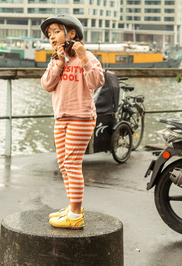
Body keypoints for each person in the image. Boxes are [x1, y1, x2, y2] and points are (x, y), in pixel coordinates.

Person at [40, 13, 104, 229]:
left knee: (72, 164)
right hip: (61, 118)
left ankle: (75, 215)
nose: (52, 37)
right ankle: (73, 206)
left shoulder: (86, 57)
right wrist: (58, 65)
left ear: (72, 33)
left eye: (56, 31)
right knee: (64, 165)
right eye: (49, 34)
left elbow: (97, 81)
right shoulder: (56, 60)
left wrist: (84, 58)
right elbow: (47, 85)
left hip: (81, 118)